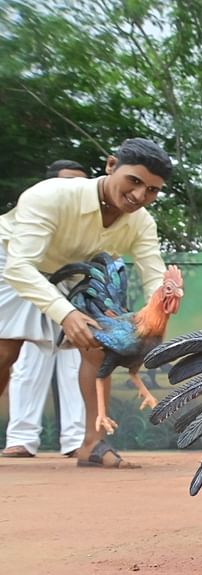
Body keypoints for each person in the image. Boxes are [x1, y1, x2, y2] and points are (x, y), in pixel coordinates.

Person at [0, 138, 172, 468]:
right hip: (13, 260)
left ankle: (92, 444)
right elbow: (20, 267)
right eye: (134, 181)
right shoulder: (49, 196)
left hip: (73, 273)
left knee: (97, 343)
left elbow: (154, 275)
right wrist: (65, 314)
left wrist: (157, 313)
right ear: (111, 166)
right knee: (5, 352)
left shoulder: (142, 222)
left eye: (152, 190)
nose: (140, 196)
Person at [2, 160, 90, 458]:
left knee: (75, 363)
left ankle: (77, 439)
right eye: (67, 183)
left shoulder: (89, 218)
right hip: (30, 283)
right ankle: (21, 439)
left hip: (73, 287)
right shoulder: (38, 206)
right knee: (28, 361)